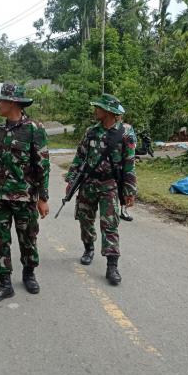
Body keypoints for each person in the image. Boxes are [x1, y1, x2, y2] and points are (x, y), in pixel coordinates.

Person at [0, 82, 50, 304]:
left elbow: (42, 165)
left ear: (12, 103)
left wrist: (43, 198)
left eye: (0, 101)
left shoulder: (34, 129)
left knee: (28, 238)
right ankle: (4, 284)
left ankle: (29, 273)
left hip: (25, 196)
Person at [65, 93, 137, 286]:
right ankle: (88, 248)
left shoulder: (125, 133)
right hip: (88, 183)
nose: (95, 110)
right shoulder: (91, 132)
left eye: (99, 108)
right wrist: (71, 180)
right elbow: (80, 157)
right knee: (84, 219)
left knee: (110, 224)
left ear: (109, 112)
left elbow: (129, 163)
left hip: (110, 185)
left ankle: (112, 265)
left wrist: (129, 190)